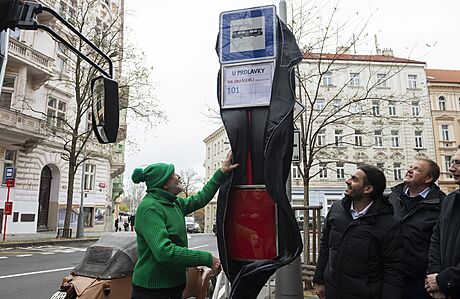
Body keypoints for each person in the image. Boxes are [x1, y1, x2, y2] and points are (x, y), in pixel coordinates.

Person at [131, 152, 238, 299]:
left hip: (174, 287)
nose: (178, 177)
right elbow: (164, 252)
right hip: (153, 291)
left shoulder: (173, 202)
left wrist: (222, 172)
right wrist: (207, 259)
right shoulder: (150, 208)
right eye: (174, 174)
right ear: (165, 183)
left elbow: (200, 199)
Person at [313, 164, 404, 299]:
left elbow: (393, 270)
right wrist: (320, 280)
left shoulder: (388, 225)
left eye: (354, 179)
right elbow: (325, 246)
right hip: (333, 291)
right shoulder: (337, 209)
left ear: (368, 189)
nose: (347, 181)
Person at [389, 158, 445, 299]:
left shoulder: (441, 204)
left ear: (428, 178)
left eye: (417, 169)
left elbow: (440, 244)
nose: (410, 170)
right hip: (391, 276)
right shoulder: (394, 197)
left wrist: (435, 277)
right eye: (410, 167)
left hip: (420, 281)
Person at [426, 146, 460, 299]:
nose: (451, 168)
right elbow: (436, 238)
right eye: (452, 162)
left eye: (458, 163)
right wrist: (435, 276)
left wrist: (444, 280)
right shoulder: (450, 199)